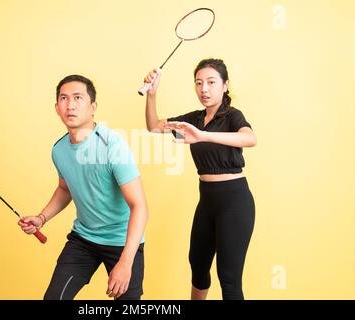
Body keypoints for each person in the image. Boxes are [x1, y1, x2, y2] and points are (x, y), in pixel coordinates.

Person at [19, 74, 148, 300]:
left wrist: (125, 263)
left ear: (93, 107)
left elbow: (140, 207)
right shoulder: (59, 150)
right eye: (64, 98)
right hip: (84, 239)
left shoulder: (112, 145)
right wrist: (41, 218)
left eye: (78, 98)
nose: (70, 105)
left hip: (122, 241)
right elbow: (65, 189)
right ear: (56, 108)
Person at [143, 58, 256, 300]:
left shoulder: (232, 116)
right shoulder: (193, 119)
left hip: (235, 203)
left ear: (225, 85)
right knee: (198, 265)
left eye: (211, 82)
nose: (204, 89)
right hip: (207, 202)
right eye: (199, 83)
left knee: (229, 278)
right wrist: (152, 94)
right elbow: (154, 127)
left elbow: (249, 139)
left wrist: (203, 136)